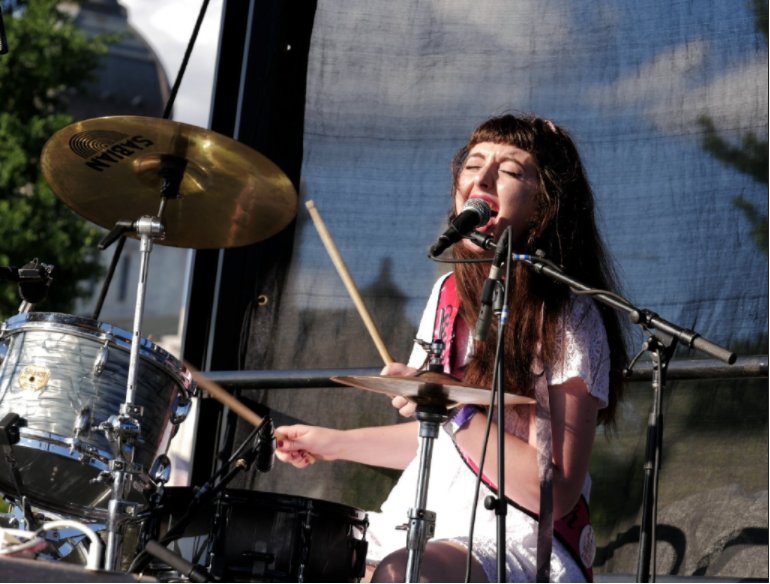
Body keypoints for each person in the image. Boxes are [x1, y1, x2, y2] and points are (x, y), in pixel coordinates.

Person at [275, 113, 627, 582]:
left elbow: (555, 491)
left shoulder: (569, 315)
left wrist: (450, 405)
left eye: (508, 170)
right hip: (426, 511)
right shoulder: (446, 294)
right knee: (307, 557)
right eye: (472, 165)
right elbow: (445, 444)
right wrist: (332, 443)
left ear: (545, 205)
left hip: (517, 534)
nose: (482, 178)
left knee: (407, 573)